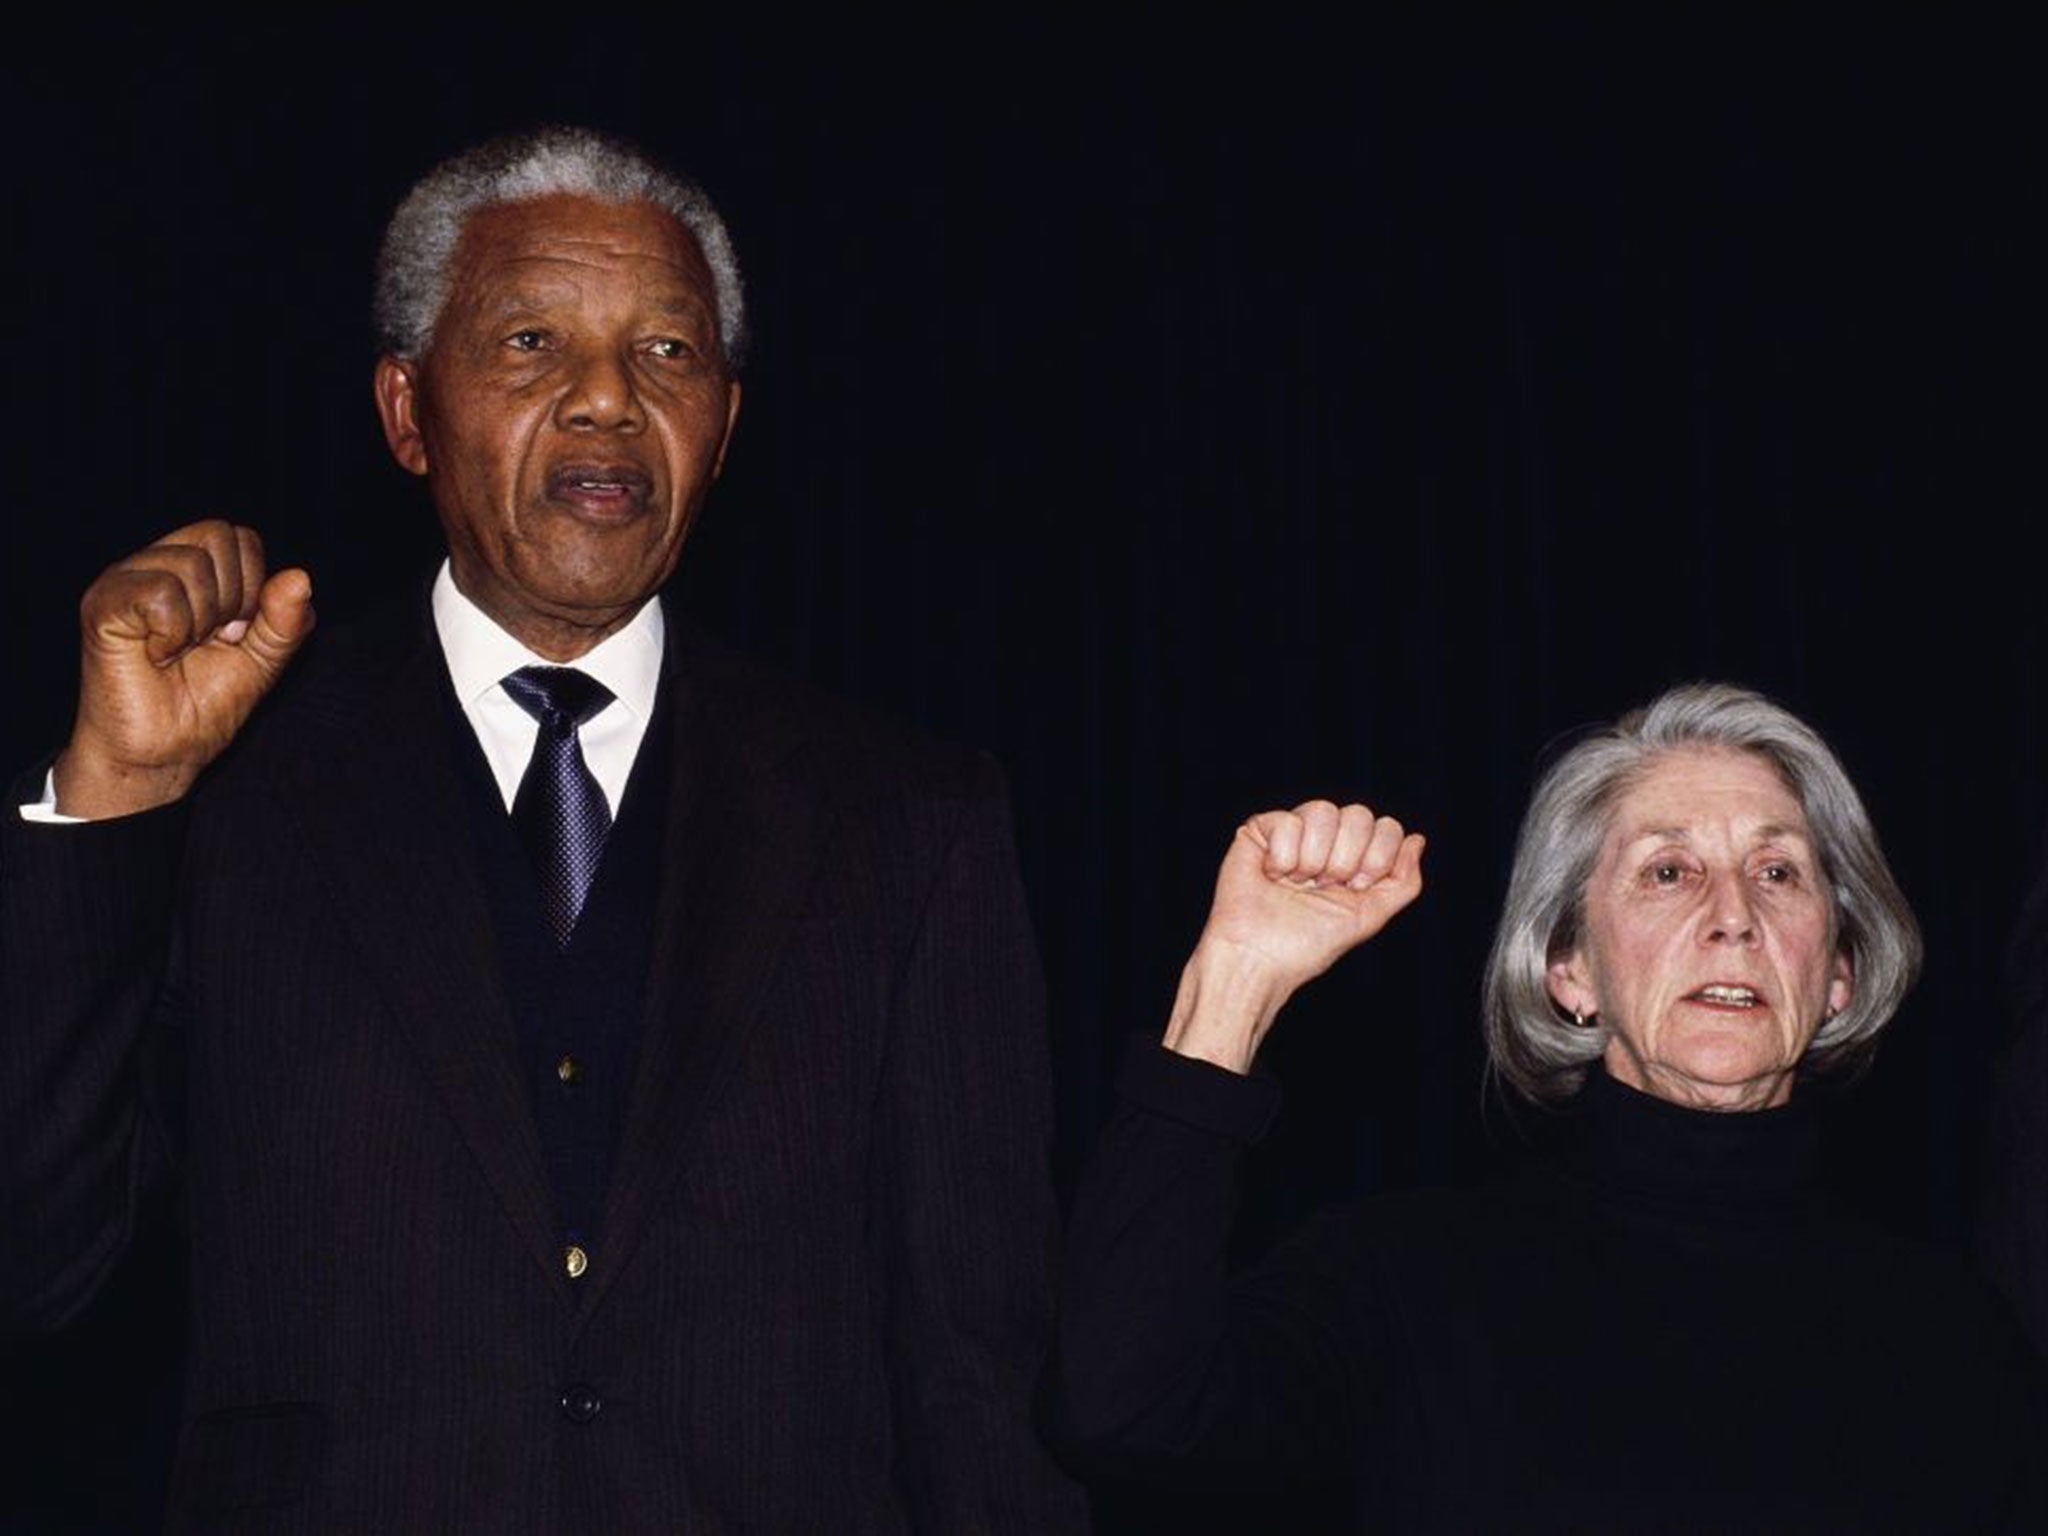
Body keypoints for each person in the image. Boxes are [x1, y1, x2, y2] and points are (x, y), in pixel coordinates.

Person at [0, 127, 1083, 1533]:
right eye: (528, 340)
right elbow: (34, 1271)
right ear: (406, 411)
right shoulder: (231, 782)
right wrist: (112, 798)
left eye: (668, 355)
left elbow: (978, 1392)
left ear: (728, 424)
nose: (605, 403)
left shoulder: (912, 821)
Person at [1052, 683, 2046, 1532]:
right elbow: (1121, 1408)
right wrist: (1237, 980)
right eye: (1666, 871)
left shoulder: (1951, 1340)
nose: (1731, 915)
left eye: (1776, 872)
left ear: (1836, 972)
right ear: (1567, 968)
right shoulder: (1403, 1285)